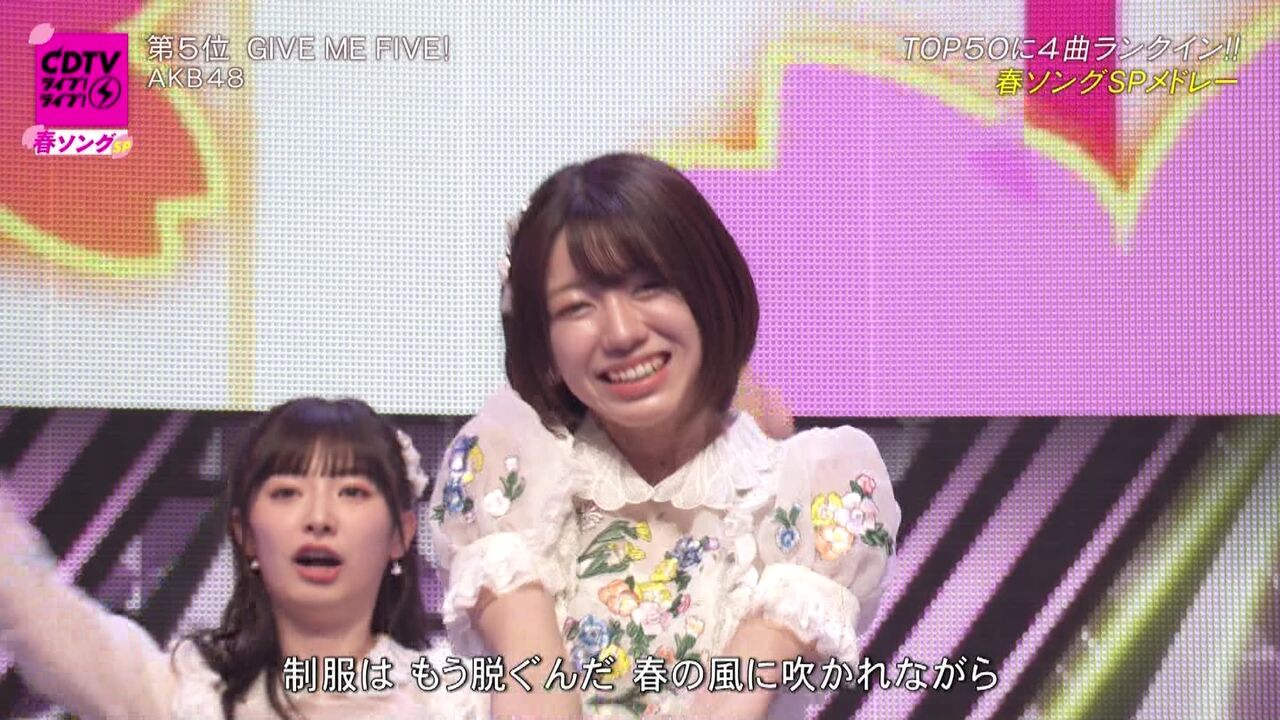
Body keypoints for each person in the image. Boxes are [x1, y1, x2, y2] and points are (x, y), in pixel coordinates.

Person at [429, 153, 900, 719]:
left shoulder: (809, 493)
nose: (621, 333)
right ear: (543, 340)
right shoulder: (511, 475)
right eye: (577, 306)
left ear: (710, 290)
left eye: (650, 287)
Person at [0, 398, 488, 719]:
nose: (319, 518)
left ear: (401, 535)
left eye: (351, 492)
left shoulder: (455, 700)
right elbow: (35, 608)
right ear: (245, 534)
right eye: (287, 492)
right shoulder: (190, 696)